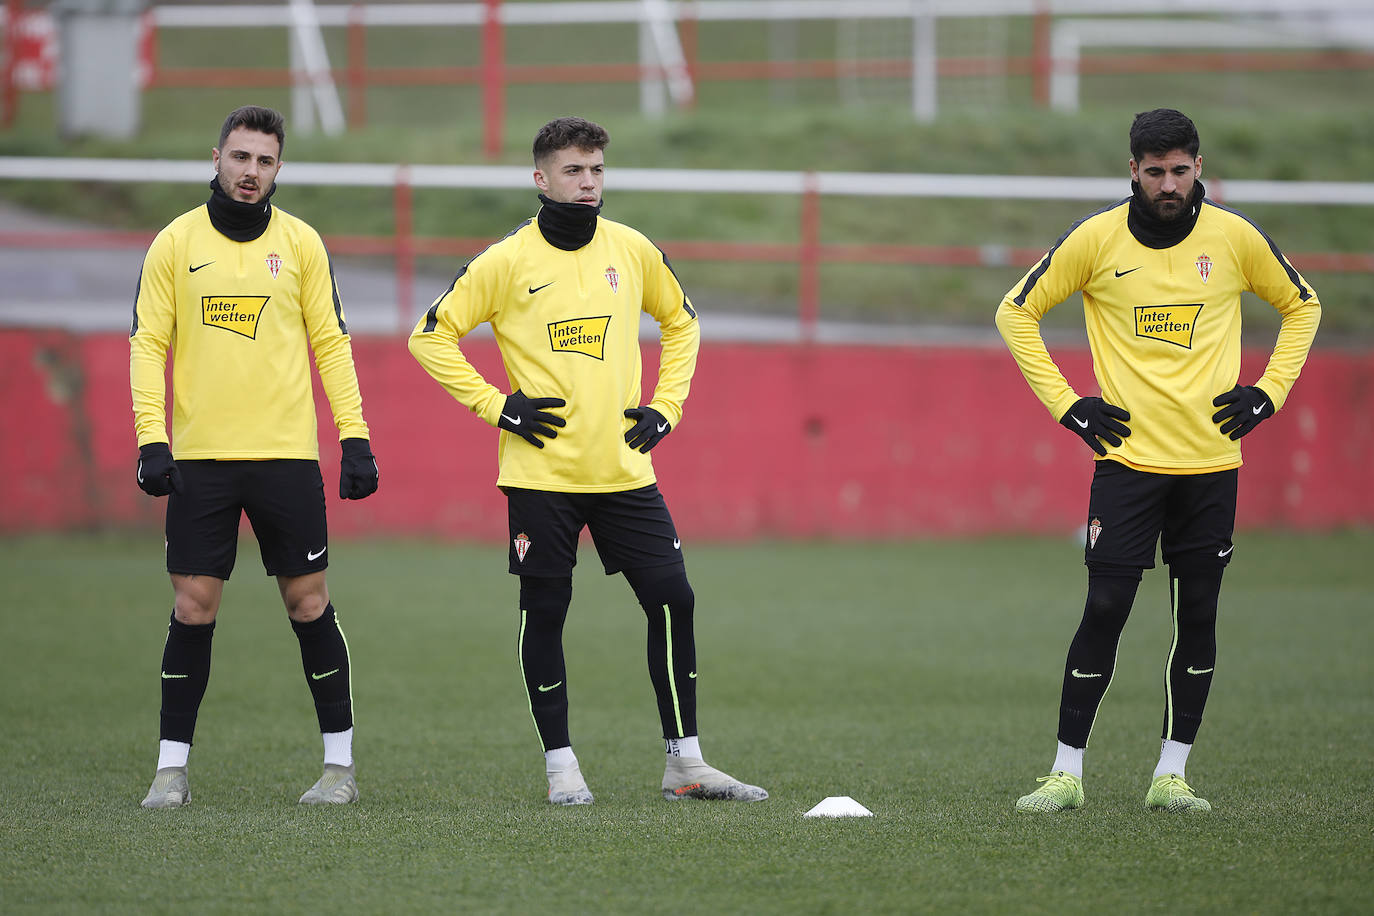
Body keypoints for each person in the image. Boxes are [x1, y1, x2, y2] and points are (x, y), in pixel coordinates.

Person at [409, 116, 766, 806]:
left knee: (674, 599)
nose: (588, 182)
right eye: (573, 170)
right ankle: (561, 767)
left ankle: (685, 763)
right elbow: (430, 336)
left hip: (624, 471)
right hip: (540, 474)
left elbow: (683, 322)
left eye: (597, 169)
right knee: (546, 610)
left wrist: (667, 406)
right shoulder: (505, 261)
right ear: (541, 179)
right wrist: (498, 406)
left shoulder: (631, 249)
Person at [996, 108, 1320, 813]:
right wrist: (1069, 406)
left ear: (1199, 167)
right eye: (1154, 172)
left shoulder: (1234, 237)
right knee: (1105, 605)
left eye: (1179, 170)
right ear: (1133, 171)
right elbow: (1014, 312)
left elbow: (1303, 306)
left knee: (1196, 613)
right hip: (1128, 463)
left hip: (1211, 462)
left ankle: (1171, 775)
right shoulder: (1095, 238)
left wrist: (1269, 393)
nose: (1168, 184)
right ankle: (1065, 775)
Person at [130, 105, 379, 808]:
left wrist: (354, 437)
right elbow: (148, 344)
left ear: (278, 169)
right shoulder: (174, 242)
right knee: (193, 605)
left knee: (309, 602)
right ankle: (170, 772)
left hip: (285, 458)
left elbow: (331, 342)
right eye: (240, 157)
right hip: (201, 459)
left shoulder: (301, 243)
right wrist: (152, 438)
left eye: (265, 161)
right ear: (217, 158)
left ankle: (339, 768)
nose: (251, 172)